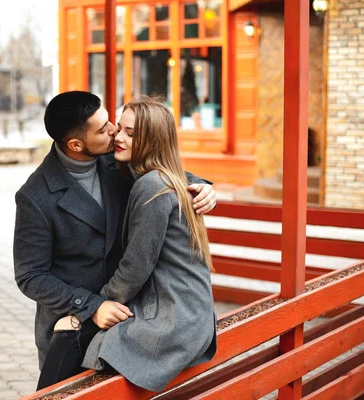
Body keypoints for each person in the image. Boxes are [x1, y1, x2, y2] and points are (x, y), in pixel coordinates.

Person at [13, 91, 216, 390]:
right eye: (104, 127)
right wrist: (93, 306)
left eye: (112, 122)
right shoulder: (35, 196)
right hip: (75, 324)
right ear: (76, 144)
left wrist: (199, 186)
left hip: (128, 315)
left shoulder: (115, 157)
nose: (113, 131)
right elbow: (31, 277)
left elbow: (159, 167)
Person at [81, 96, 217, 392]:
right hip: (193, 313)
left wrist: (99, 302)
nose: (118, 137)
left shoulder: (151, 186)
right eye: (119, 128)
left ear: (151, 141)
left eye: (131, 134)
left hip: (176, 318)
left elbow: (135, 266)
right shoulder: (164, 178)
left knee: (94, 344)